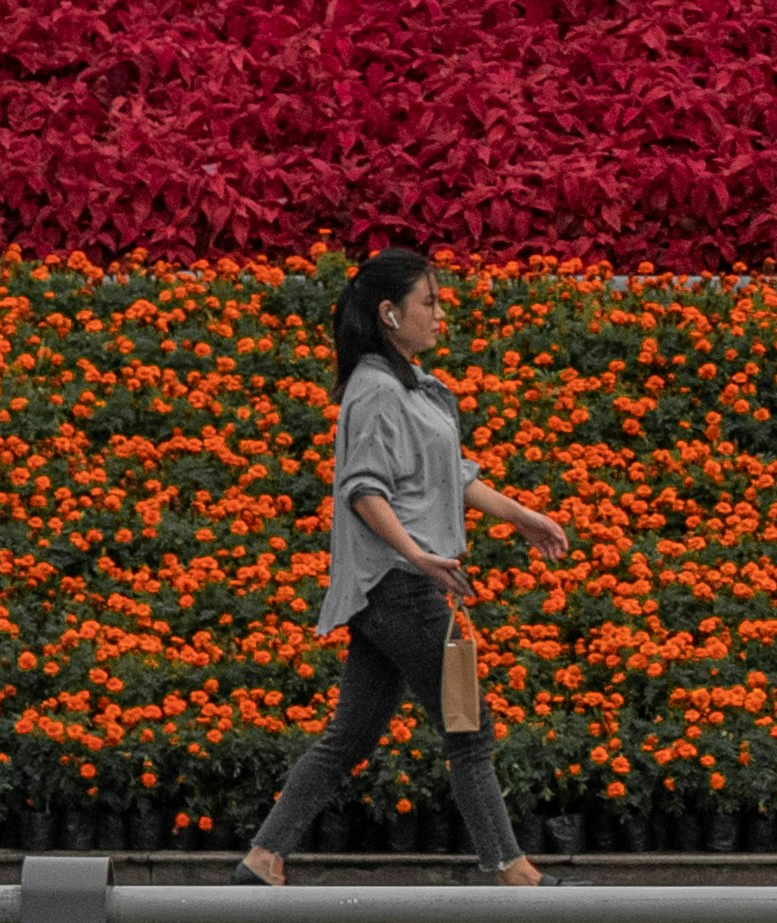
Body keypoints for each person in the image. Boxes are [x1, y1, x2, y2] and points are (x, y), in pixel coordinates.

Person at [240, 246, 576, 886]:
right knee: (469, 728)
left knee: (350, 737)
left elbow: (454, 476)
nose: (441, 314)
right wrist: (417, 555)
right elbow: (363, 490)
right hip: (401, 586)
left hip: (393, 587)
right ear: (390, 314)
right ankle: (511, 869)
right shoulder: (376, 390)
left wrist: (524, 517)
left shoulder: (408, 387)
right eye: (430, 302)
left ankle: (263, 857)